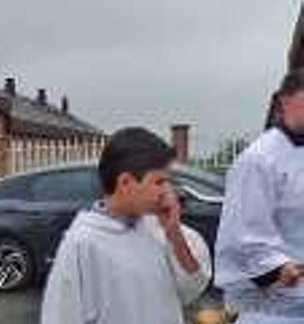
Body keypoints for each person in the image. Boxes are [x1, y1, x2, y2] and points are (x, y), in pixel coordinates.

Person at [40, 127, 212, 324]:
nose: (167, 191)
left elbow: (192, 288)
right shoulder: (82, 243)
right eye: (159, 182)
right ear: (125, 183)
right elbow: (62, 316)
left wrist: (174, 233)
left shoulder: (158, 227)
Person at [215, 68, 304, 323]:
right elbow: (245, 237)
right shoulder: (259, 160)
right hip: (274, 311)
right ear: (285, 102)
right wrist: (280, 267)